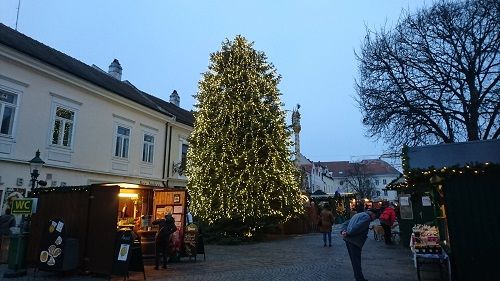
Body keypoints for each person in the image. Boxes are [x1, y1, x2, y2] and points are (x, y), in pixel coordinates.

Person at [340, 209, 377, 281]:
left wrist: (343, 231)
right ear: (372, 214)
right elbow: (357, 227)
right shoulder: (367, 218)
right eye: (375, 216)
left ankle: (358, 277)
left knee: (354, 261)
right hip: (355, 241)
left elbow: (346, 223)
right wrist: (348, 232)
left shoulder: (358, 214)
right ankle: (359, 278)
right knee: (356, 261)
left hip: (348, 240)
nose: (374, 218)